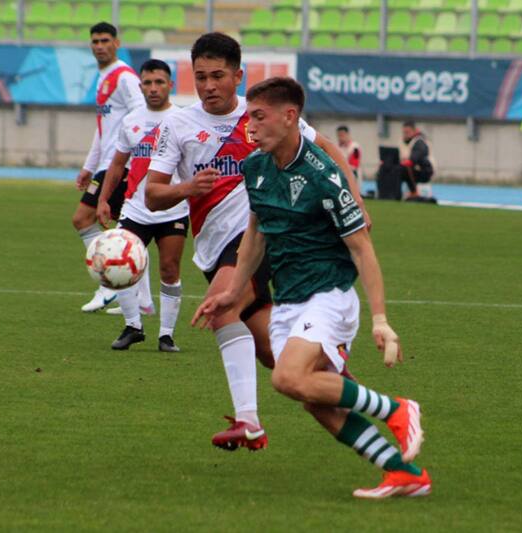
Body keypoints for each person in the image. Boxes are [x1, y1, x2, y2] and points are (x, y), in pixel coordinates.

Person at [194, 77, 430, 499]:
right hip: (288, 301)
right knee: (315, 400)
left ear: (289, 118)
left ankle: (397, 409)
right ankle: (402, 472)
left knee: (287, 378)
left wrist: (380, 320)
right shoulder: (256, 168)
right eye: (249, 117)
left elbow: (363, 250)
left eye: (259, 117)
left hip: (329, 296)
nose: (251, 126)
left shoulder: (324, 176)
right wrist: (232, 293)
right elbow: (255, 233)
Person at [144, 32, 371, 451]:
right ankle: (378, 417)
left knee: (223, 306)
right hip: (214, 250)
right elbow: (151, 195)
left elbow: (325, 149)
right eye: (200, 77)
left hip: (265, 237)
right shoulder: (177, 125)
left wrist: (353, 195)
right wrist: (187, 188)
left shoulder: (261, 115)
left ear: (238, 76)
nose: (209, 85)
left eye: (218, 75)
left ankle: (249, 421)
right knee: (284, 363)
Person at [97, 59, 189, 351]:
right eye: (147, 83)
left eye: (159, 82)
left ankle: (166, 335)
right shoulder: (131, 121)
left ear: (170, 85)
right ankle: (133, 326)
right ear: (141, 86)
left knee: (169, 269)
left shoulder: (184, 119)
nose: (153, 88)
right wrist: (102, 199)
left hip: (172, 209)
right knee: (120, 265)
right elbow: (117, 164)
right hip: (135, 208)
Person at [73, 22, 147, 313]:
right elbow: (103, 128)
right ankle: (137, 297)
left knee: (83, 219)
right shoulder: (104, 77)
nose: (99, 45)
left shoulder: (124, 77)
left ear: (116, 43)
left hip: (119, 164)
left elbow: (142, 114)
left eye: (105, 40)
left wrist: (133, 157)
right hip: (105, 164)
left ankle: (108, 286)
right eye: (95, 41)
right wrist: (88, 166)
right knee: (128, 232)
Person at [401, 119, 435, 201]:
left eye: (407, 132)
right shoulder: (412, 142)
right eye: (404, 133)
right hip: (420, 170)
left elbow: (413, 160)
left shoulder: (419, 142)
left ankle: (414, 192)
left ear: (415, 131)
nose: (405, 135)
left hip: (425, 172)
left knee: (404, 169)